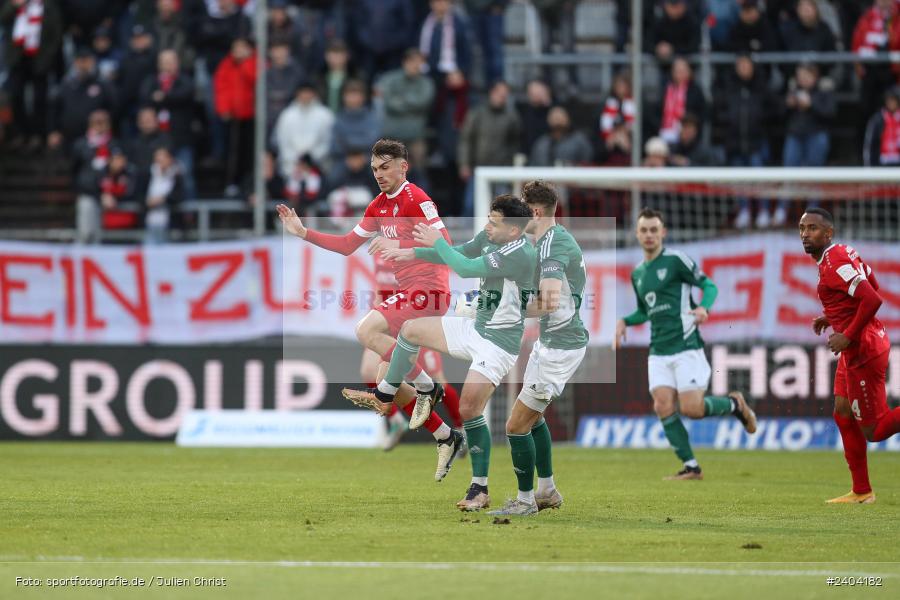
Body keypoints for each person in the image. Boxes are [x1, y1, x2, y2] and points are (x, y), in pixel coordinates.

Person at [276, 138, 463, 480]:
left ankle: (427, 388)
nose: (379, 174)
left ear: (403, 166)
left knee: (365, 330)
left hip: (430, 291)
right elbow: (348, 245)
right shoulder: (378, 206)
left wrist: (400, 245)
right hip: (409, 293)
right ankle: (446, 436)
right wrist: (303, 232)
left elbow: (447, 248)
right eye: (375, 169)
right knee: (383, 377)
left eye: (386, 167)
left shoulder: (416, 199)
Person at [362, 194, 536, 510]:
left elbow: (465, 268)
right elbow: (459, 252)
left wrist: (435, 242)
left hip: (499, 342)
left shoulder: (520, 253)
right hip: (475, 327)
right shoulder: (492, 236)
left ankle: (479, 489)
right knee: (410, 329)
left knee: (470, 408)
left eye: (494, 223)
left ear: (513, 230)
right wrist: (409, 251)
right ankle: (391, 391)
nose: (487, 227)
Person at [614, 208, 757, 480]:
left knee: (692, 409)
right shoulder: (638, 274)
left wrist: (704, 308)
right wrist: (624, 321)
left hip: (686, 345)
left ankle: (735, 404)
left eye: (654, 230)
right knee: (662, 405)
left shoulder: (676, 260)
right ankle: (691, 467)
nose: (649, 235)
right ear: (637, 234)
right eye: (644, 230)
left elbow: (710, 286)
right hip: (658, 351)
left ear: (663, 232)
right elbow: (646, 311)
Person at [487, 181, 587, 516]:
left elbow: (548, 302)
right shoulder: (547, 241)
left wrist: (499, 308)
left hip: (560, 347)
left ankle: (526, 501)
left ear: (535, 211)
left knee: (515, 426)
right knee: (534, 419)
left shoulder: (552, 245)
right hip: (551, 342)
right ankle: (546, 491)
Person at [799, 207, 900, 503]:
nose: (806, 234)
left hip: (863, 350)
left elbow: (873, 298)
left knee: (875, 429)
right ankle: (862, 491)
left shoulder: (834, 263)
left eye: (813, 229)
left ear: (828, 233)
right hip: (860, 346)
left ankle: (863, 490)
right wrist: (833, 317)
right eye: (802, 228)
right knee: (842, 413)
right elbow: (871, 283)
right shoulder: (841, 253)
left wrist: (847, 334)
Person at [458, 80, 521, 217]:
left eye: (505, 95)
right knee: (471, 206)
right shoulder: (477, 113)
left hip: (502, 169)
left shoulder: (511, 116)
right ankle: (467, 236)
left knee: (501, 209)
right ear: (492, 93)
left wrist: (511, 164)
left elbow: (515, 143)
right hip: (478, 168)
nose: (502, 97)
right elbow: (466, 139)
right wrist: (464, 164)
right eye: (500, 93)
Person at [214, 36, 257, 196]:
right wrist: (224, 109)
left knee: (249, 152)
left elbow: (254, 79)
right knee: (231, 152)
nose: (238, 51)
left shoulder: (255, 63)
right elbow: (221, 88)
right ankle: (230, 183)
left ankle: (247, 184)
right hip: (232, 116)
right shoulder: (226, 64)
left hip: (251, 115)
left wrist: (245, 63)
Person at [273, 80, 334, 178]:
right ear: (297, 94)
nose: (305, 95)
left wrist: (311, 158)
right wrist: (297, 160)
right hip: (292, 166)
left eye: (308, 92)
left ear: (314, 94)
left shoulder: (325, 115)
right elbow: (282, 142)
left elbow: (328, 141)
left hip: (318, 165)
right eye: (303, 92)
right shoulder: (287, 115)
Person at [863, 87, 900, 166]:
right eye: (889, 100)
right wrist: (869, 167)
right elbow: (869, 145)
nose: (891, 103)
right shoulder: (878, 119)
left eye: (894, 100)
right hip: (882, 163)